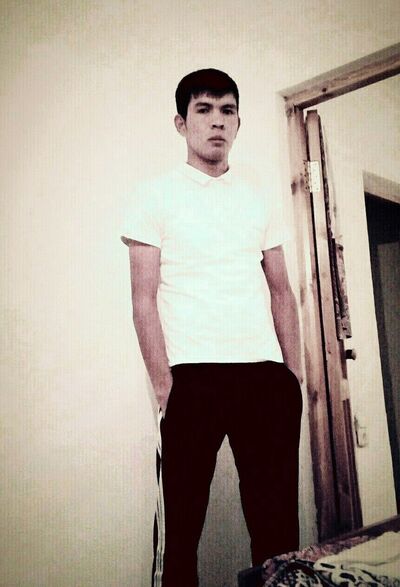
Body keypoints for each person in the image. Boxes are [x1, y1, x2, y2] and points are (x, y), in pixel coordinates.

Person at [121, 68, 303, 587]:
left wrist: (293, 377)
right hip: (192, 378)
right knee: (180, 534)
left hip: (264, 377)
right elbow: (142, 298)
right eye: (204, 110)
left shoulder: (258, 197)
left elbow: (281, 291)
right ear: (181, 123)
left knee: (277, 531)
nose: (217, 121)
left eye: (227, 110)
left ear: (239, 122)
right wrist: (164, 385)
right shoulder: (154, 194)